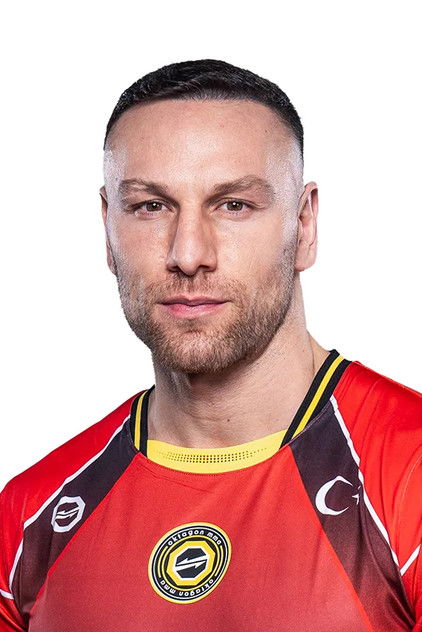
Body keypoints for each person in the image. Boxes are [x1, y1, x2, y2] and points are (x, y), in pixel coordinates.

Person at [0, 59, 420, 632]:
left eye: (233, 205)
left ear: (304, 225)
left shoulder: (410, 478)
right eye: (150, 206)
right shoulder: (30, 516)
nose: (189, 254)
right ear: (108, 229)